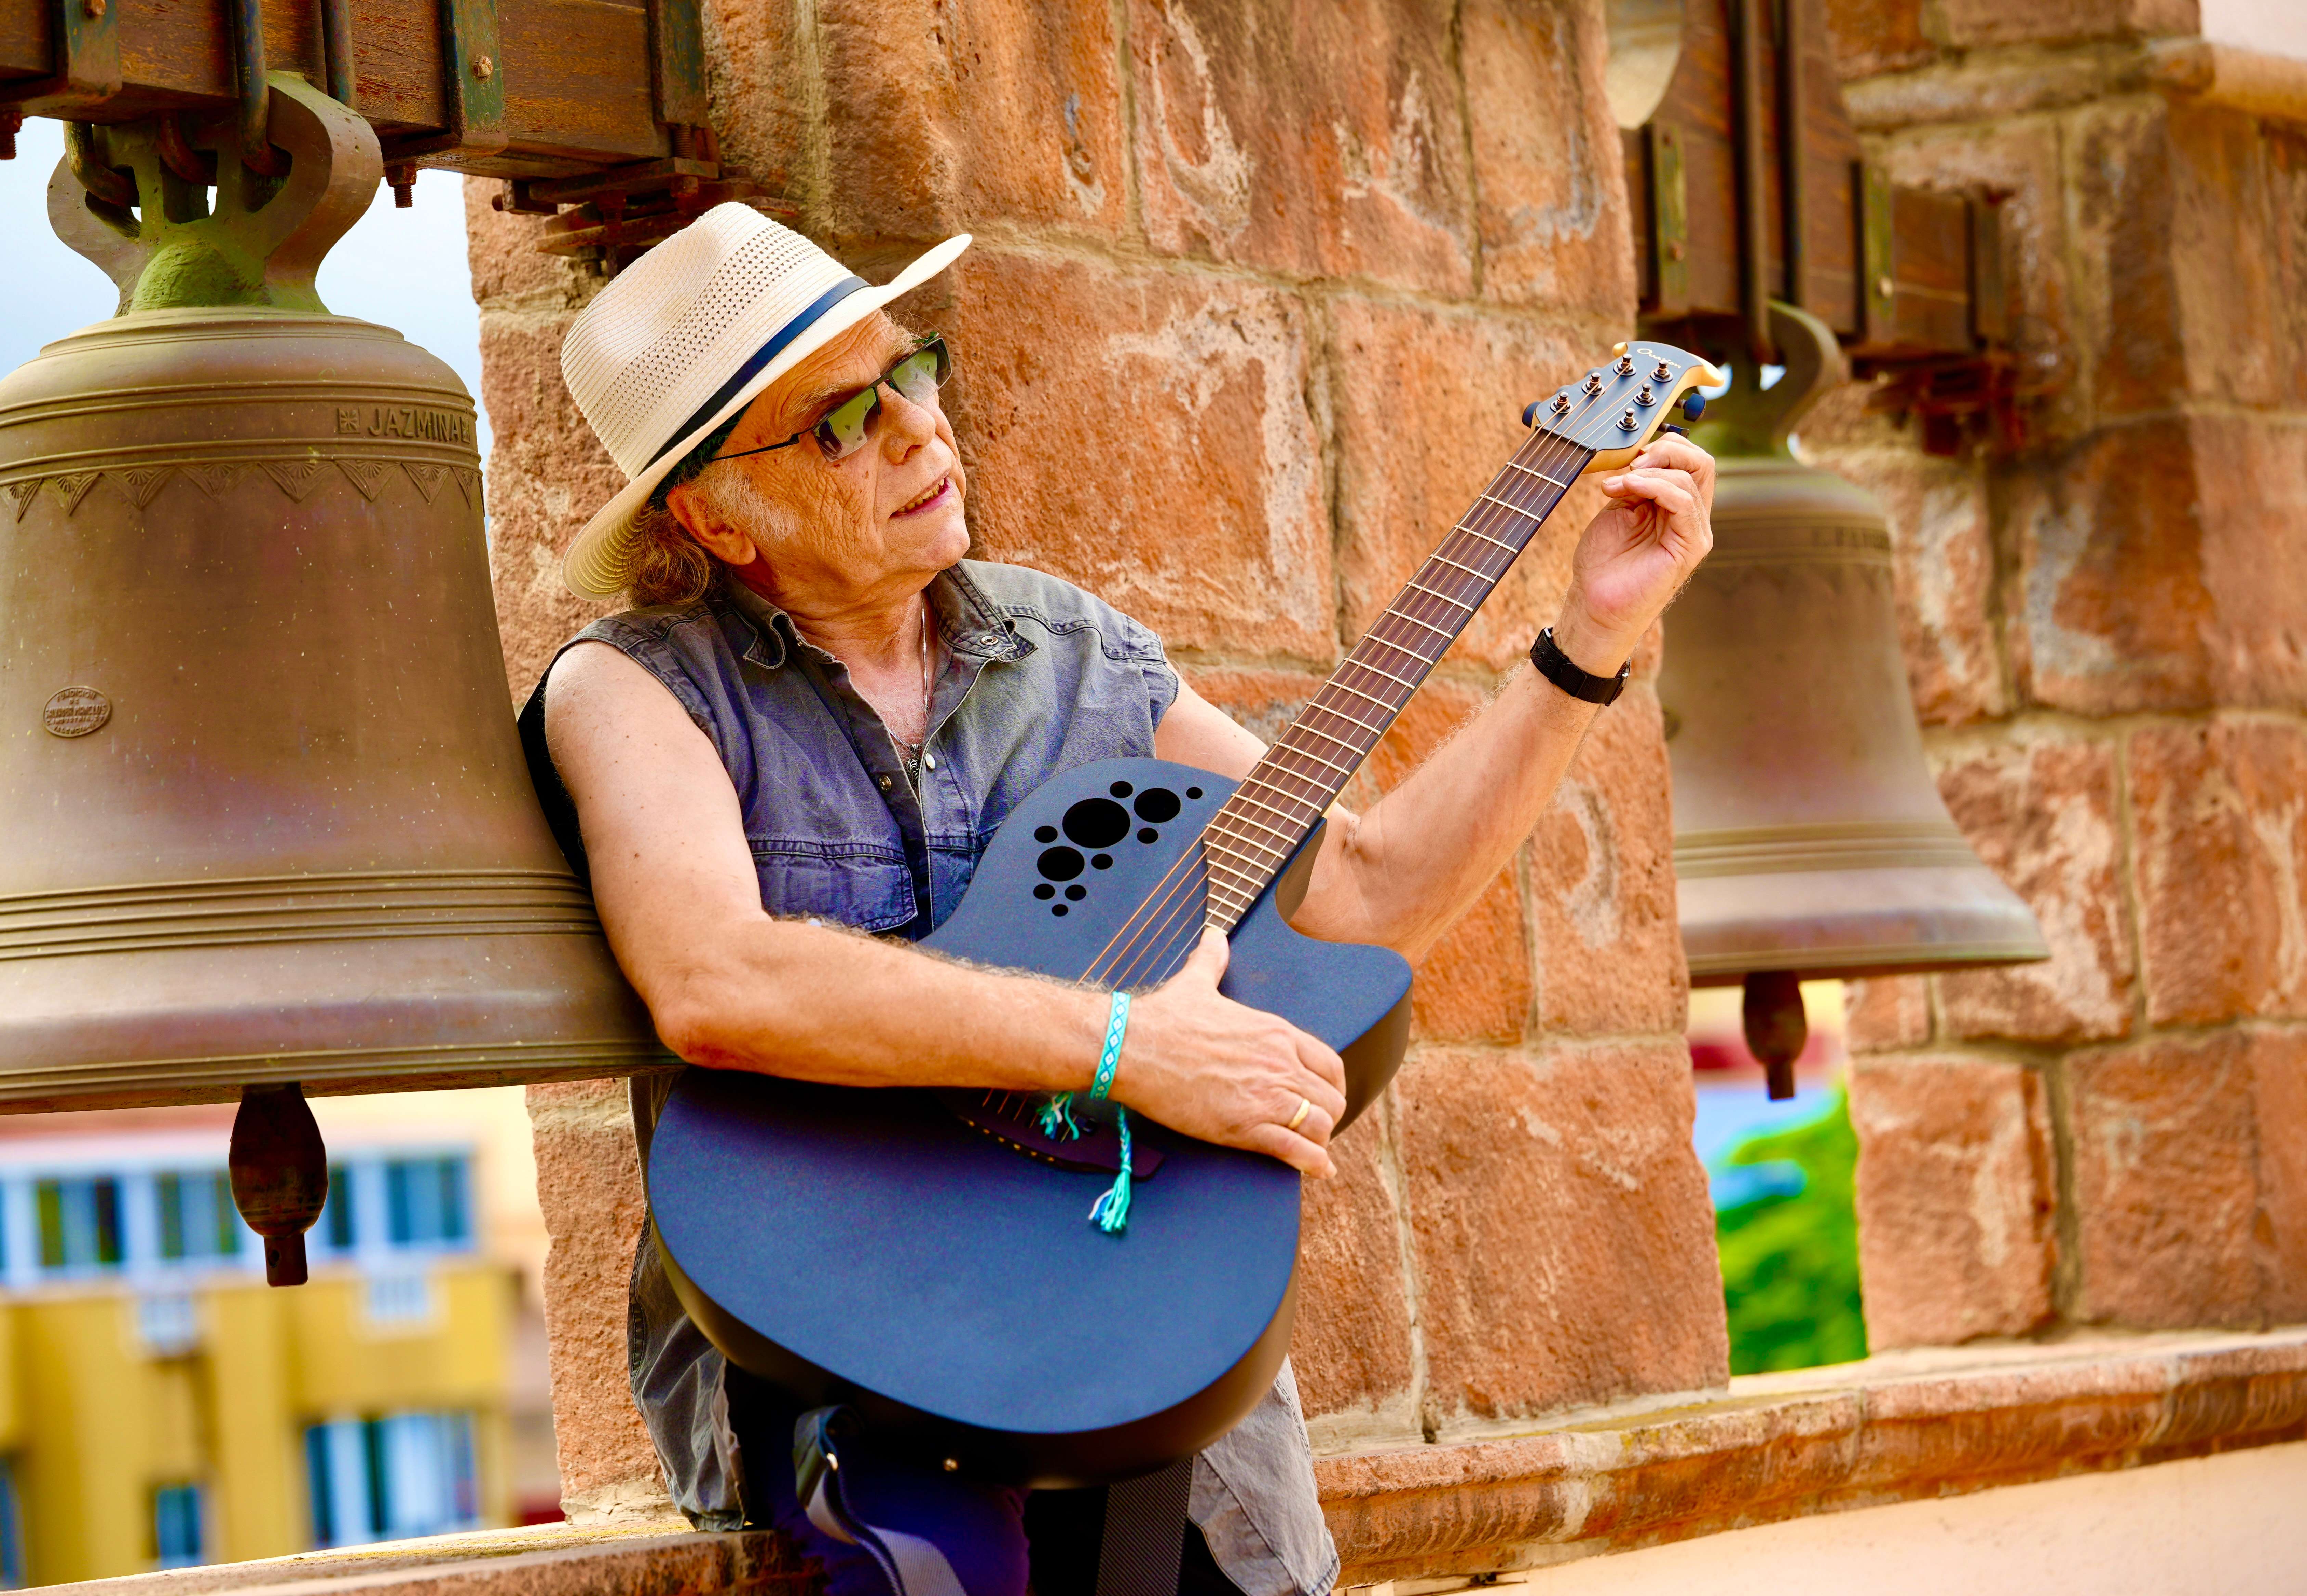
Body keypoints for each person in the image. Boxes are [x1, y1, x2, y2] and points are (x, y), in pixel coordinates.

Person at [525, 204, 1714, 1596]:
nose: (921, 429)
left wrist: (1590, 643)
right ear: (713, 514)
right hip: (834, 1326)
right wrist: (1124, 1043)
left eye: (916, 372)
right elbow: (717, 982)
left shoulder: (1075, 650)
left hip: (1139, 1312)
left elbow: (1365, 887)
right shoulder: (639, 687)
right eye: (845, 421)